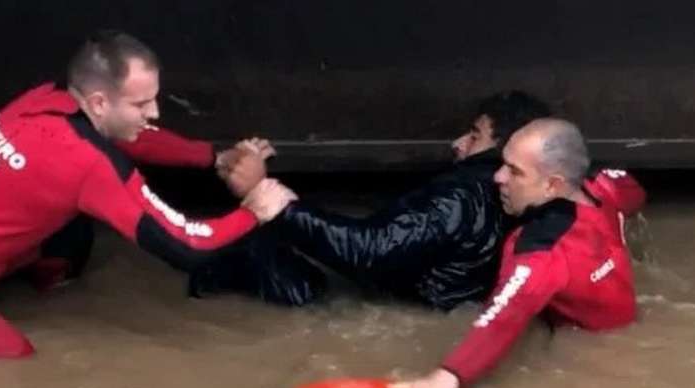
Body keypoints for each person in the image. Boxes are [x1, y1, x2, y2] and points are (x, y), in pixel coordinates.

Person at [0, 30, 294, 358]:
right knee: (22, 364)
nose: (155, 113)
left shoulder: (44, 99)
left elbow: (133, 138)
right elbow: (186, 243)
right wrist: (254, 211)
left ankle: (42, 286)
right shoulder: (86, 164)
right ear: (100, 102)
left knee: (73, 234)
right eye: (142, 104)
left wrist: (210, 157)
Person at [192, 91, 553, 310]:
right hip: (437, 309)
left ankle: (194, 299)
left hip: (384, 310)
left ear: (508, 145)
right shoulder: (528, 196)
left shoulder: (463, 193)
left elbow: (371, 250)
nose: (458, 143)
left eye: (474, 135)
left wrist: (267, 198)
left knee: (254, 242)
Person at [389, 118, 645, 388]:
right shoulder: (605, 187)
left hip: (596, 352)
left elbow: (506, 310)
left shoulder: (542, 248)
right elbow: (632, 190)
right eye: (503, 164)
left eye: (514, 171)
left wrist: (448, 376)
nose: (498, 177)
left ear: (552, 184)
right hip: (627, 328)